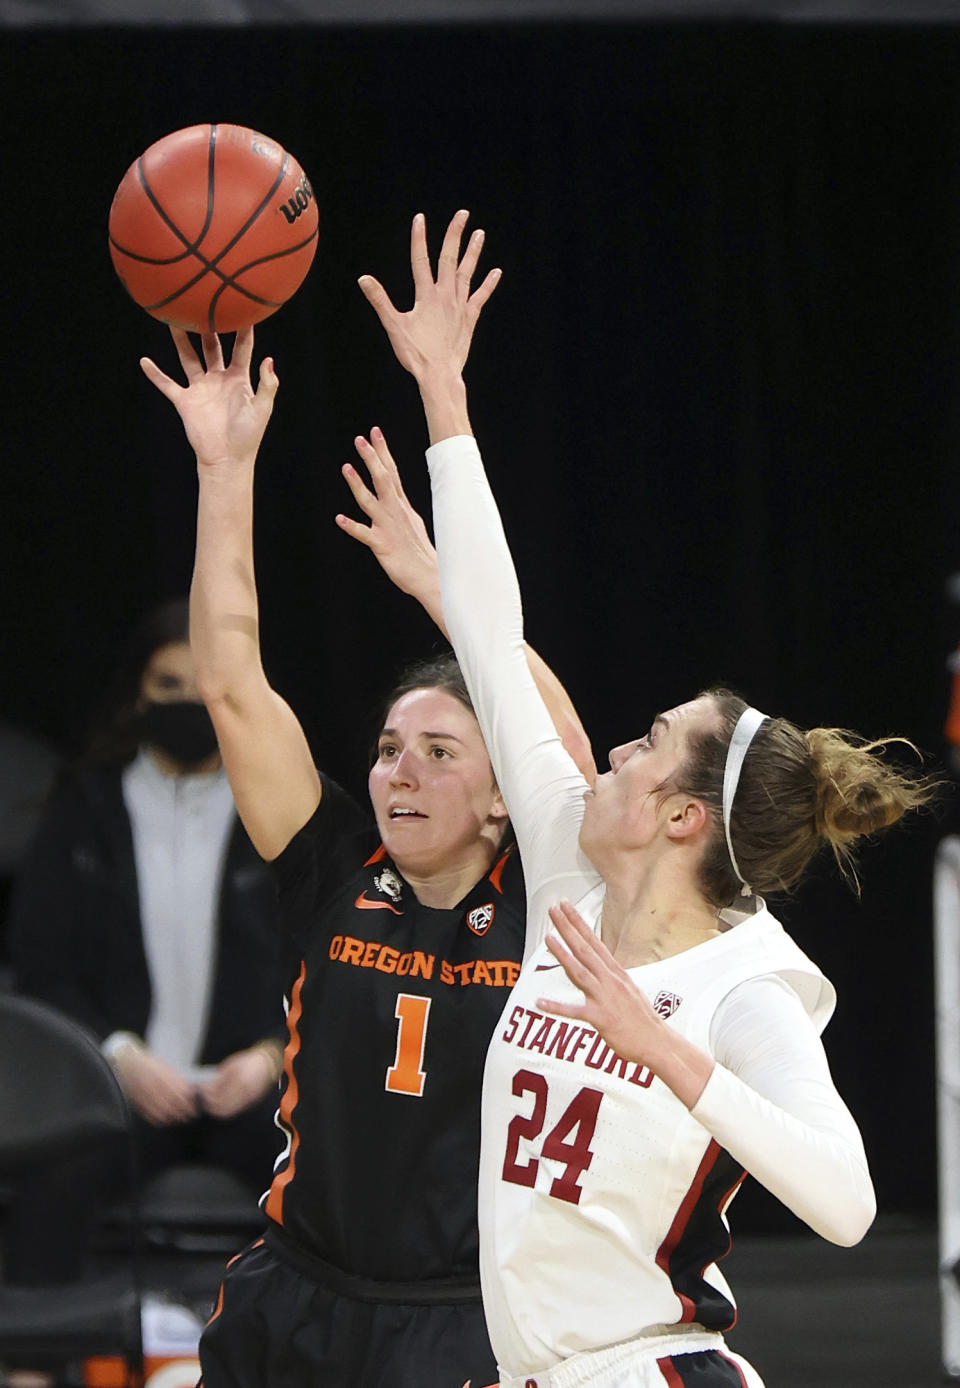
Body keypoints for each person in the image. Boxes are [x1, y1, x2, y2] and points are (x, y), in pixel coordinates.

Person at [358, 208, 937, 1388]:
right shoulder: (576, 876)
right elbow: (491, 631)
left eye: (649, 742)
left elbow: (849, 1204)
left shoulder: (744, 989)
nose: (612, 746)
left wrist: (670, 1055)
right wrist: (444, 394)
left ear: (682, 816)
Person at [138, 325, 594, 1388]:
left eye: (441, 753)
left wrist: (447, 588)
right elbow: (233, 680)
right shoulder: (334, 861)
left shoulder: (549, 890)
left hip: (461, 1319)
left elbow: (565, 746)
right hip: (294, 1294)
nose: (401, 772)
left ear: (499, 795)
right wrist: (224, 468)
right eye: (391, 748)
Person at [6, 599, 285, 1291]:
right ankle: (38, 1363)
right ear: (138, 693)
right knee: (55, 1172)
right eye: (168, 687)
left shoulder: (283, 814)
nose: (187, 703)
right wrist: (119, 1056)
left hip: (251, 1089)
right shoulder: (82, 813)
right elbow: (42, 967)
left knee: (333, 1184)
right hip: (120, 1090)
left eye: (203, 687)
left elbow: (333, 956)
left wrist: (271, 1055)